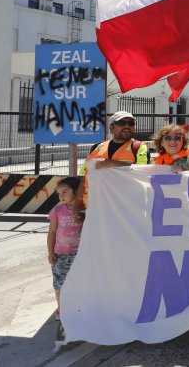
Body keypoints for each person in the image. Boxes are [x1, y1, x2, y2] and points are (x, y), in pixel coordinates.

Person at [80, 111, 149, 206]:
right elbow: (84, 176)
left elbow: (143, 172)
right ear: (111, 127)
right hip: (94, 207)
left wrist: (111, 163)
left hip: (123, 208)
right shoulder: (96, 147)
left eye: (131, 123)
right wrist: (77, 203)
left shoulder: (138, 147)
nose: (127, 126)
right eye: (122, 123)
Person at [47, 176, 84, 321]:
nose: (61, 196)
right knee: (59, 283)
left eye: (64, 192)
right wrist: (51, 252)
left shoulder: (85, 211)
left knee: (79, 283)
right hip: (60, 255)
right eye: (59, 193)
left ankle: (79, 308)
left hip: (80, 255)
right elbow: (52, 232)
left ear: (75, 191)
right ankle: (62, 309)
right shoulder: (57, 211)